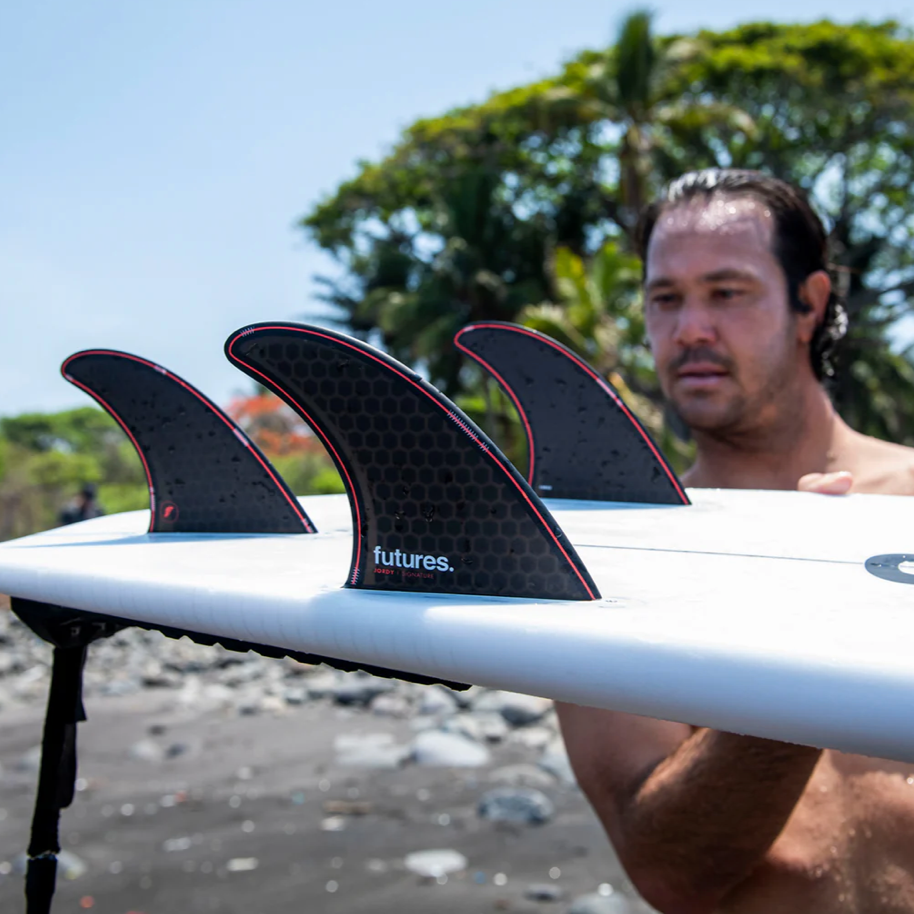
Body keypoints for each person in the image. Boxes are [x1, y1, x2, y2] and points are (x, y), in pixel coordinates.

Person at [556, 169, 914, 914]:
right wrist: (807, 642)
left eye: (727, 293)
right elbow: (669, 871)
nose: (689, 330)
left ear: (809, 304)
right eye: (665, 299)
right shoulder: (612, 553)